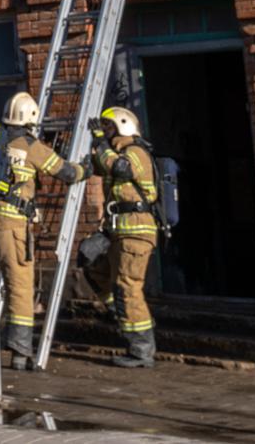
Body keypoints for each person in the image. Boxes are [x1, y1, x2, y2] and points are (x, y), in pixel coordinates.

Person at [0, 91, 80, 370]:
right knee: (19, 287)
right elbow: (66, 173)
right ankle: (20, 352)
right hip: (13, 227)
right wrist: (85, 168)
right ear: (31, 117)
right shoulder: (30, 145)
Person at [90, 104, 160, 369]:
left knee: (127, 286)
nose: (105, 132)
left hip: (136, 231)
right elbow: (98, 166)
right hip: (117, 230)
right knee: (94, 268)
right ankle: (126, 314)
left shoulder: (135, 152)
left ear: (123, 126)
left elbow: (120, 169)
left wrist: (100, 142)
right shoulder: (113, 151)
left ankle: (141, 349)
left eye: (109, 127)